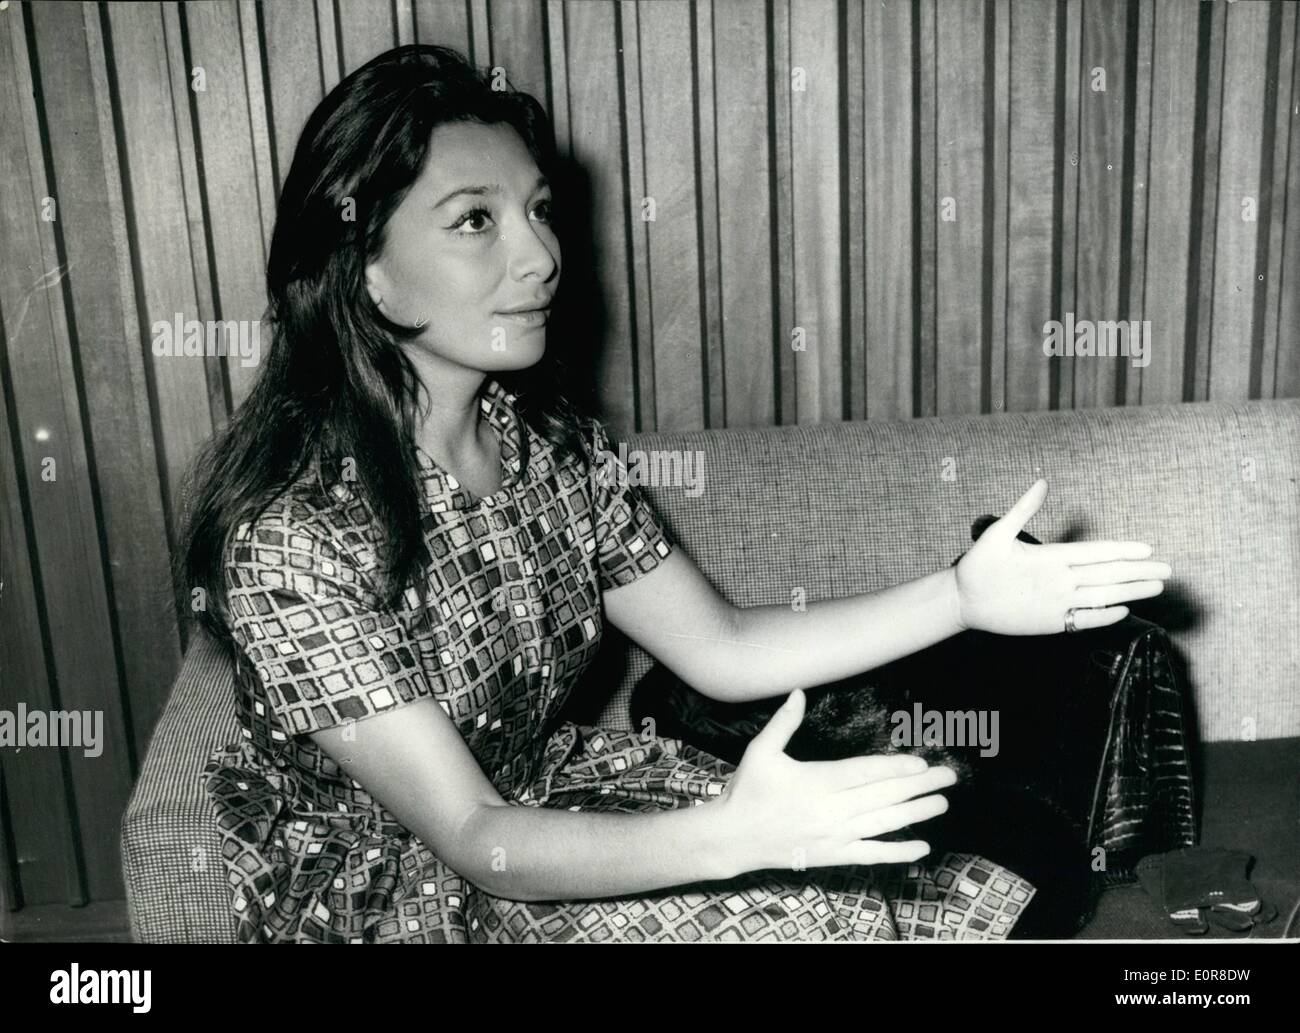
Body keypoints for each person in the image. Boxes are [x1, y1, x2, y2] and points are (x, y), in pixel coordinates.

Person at [178, 44, 1172, 943]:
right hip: (409, 889)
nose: (540, 256)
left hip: (555, 799)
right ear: (369, 277)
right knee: (811, 920)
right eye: (474, 220)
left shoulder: (551, 447)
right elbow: (475, 836)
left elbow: (723, 651)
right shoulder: (293, 532)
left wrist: (958, 595)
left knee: (944, 883)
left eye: (537, 210)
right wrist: (730, 839)